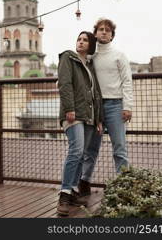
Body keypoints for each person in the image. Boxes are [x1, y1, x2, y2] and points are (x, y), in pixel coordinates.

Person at [78, 18, 133, 196]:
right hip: (96, 107)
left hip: (116, 105)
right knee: (90, 148)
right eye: (100, 29)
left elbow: (127, 81)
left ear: (112, 35)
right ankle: (84, 182)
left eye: (107, 30)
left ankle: (123, 186)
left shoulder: (119, 55)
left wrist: (128, 106)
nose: (103, 32)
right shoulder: (91, 57)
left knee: (119, 148)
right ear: (95, 33)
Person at [57, 31, 103, 216]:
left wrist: (99, 119)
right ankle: (65, 194)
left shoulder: (90, 66)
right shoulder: (68, 58)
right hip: (73, 114)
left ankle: (74, 191)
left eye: (85, 40)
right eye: (79, 39)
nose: (81, 42)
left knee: (83, 153)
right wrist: (69, 108)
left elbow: (96, 94)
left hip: (89, 116)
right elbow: (65, 84)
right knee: (76, 150)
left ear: (90, 45)